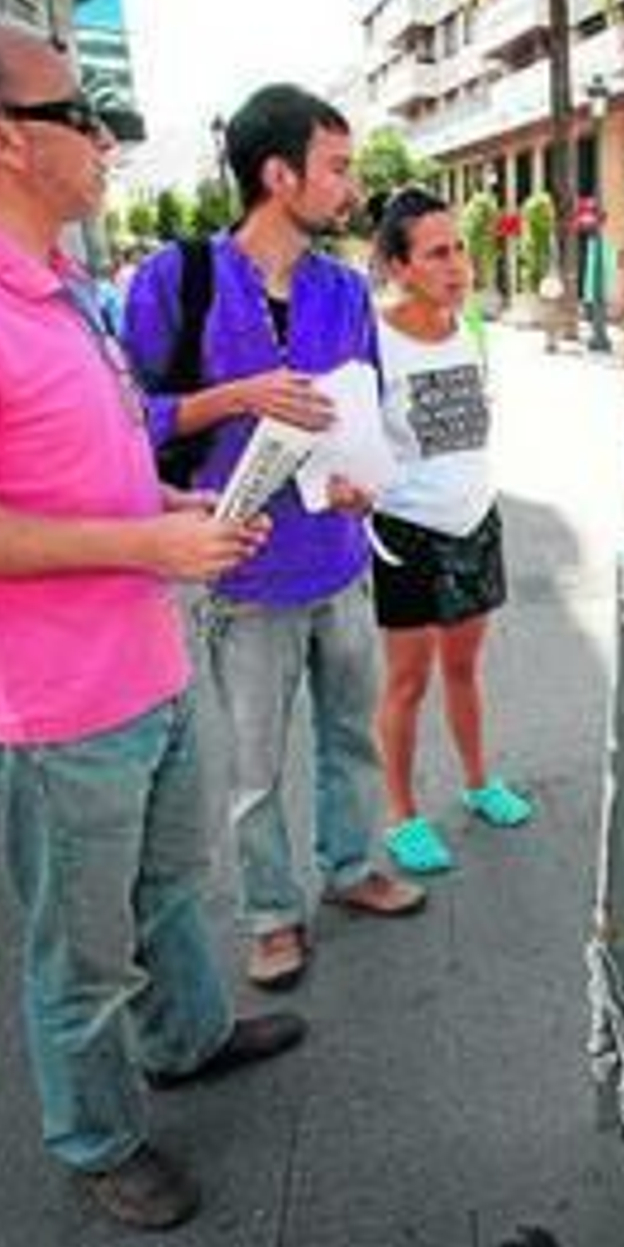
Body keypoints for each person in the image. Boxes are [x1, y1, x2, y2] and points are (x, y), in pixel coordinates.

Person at [0, 6, 305, 1231]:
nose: (103, 140)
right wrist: (148, 541)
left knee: (170, 888)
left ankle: (189, 1036)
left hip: (142, 664)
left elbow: (68, 464)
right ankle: (97, 1134)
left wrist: (168, 502)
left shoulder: (57, 286)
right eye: (78, 115)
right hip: (48, 709)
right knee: (80, 950)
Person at [123, 85, 423, 994]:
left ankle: (350, 867)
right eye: (336, 166)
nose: (352, 183)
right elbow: (129, 421)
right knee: (254, 766)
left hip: (340, 561)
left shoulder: (342, 287)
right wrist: (239, 396)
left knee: (349, 738)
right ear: (277, 172)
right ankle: (270, 916)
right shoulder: (178, 280)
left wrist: (357, 477)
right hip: (244, 573)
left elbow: (358, 406)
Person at [365, 188, 532, 876]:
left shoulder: (472, 329)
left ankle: (478, 781)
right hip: (408, 533)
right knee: (408, 680)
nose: (457, 264)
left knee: (465, 668)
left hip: (476, 521)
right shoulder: (373, 339)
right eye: (437, 253)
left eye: (459, 247)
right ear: (401, 266)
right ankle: (402, 815)